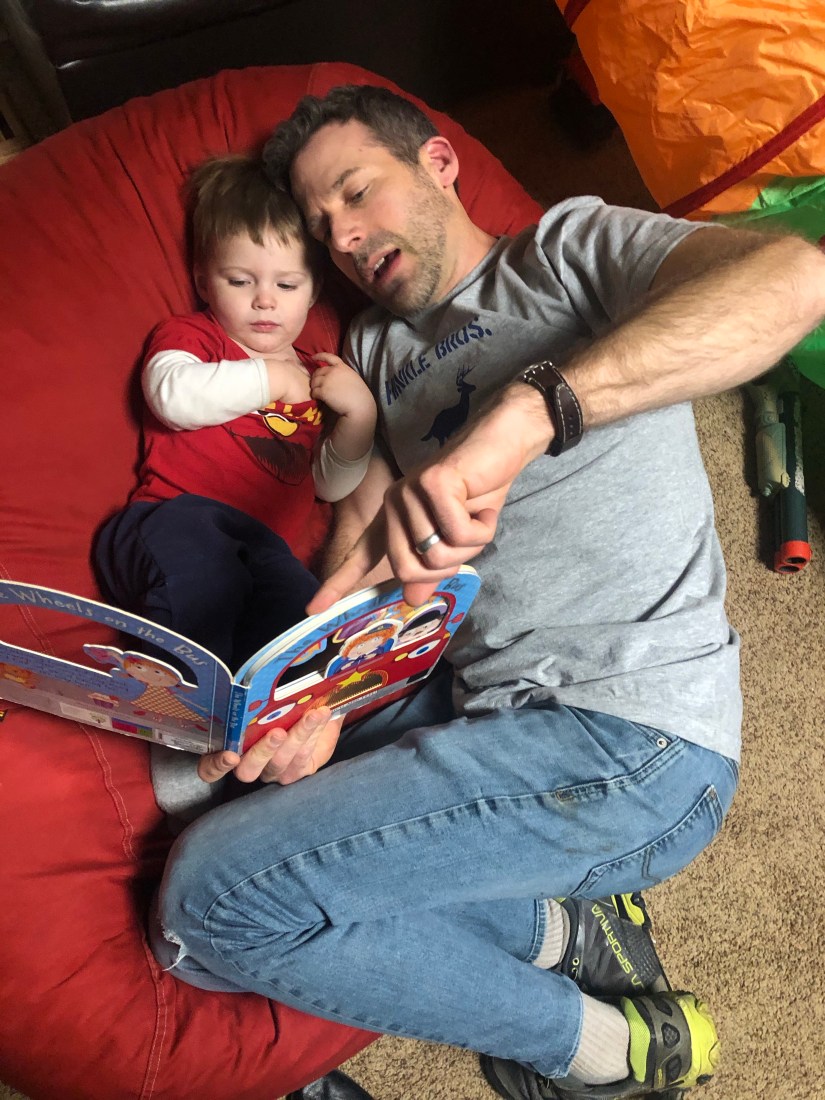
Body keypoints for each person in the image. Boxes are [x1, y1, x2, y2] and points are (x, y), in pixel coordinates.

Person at [149, 88, 825, 1100]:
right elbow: (365, 549)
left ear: (439, 163)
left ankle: (603, 1049)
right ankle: (554, 926)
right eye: (323, 226)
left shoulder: (567, 250)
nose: (343, 236)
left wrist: (531, 412)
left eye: (356, 192)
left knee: (211, 903)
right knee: (211, 858)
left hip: (632, 740)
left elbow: (794, 279)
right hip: (473, 702)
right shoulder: (373, 353)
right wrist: (318, 693)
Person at [93, 153, 376, 821]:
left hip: (262, 554)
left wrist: (358, 416)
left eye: (286, 283)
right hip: (167, 522)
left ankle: (256, 761)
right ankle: (179, 749)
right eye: (240, 280)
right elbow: (171, 396)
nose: (264, 301)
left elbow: (328, 483)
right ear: (204, 281)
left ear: (313, 290)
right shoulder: (193, 339)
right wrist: (267, 380)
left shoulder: (316, 371)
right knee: (206, 576)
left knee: (304, 621)